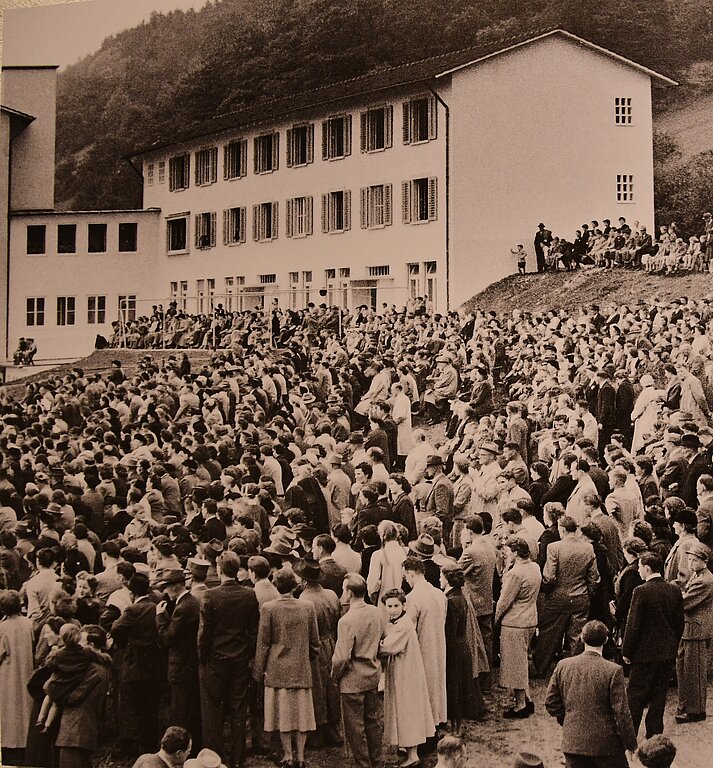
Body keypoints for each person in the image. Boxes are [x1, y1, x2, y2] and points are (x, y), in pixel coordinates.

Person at [546, 620, 638, 768]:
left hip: (573, 743)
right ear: (606, 640)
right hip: (606, 746)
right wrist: (631, 744)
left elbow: (551, 702)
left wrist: (568, 719)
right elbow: (621, 712)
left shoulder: (563, 665)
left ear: (582, 638)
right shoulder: (613, 670)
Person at [198, 551, 259, 768]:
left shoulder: (210, 595)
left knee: (212, 712)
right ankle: (238, 758)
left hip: (215, 661)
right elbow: (253, 631)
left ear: (219, 569)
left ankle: (215, 759)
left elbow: (204, 633)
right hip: (239, 659)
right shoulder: (249, 594)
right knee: (238, 709)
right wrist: (247, 654)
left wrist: (202, 657)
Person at [254, 568, 319, 768]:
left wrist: (258, 670)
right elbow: (315, 642)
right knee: (302, 714)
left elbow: (263, 643)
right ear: (294, 586)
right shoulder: (307, 607)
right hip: (300, 667)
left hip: (277, 668)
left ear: (276, 585)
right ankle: (300, 756)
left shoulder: (268, 608)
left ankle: (288, 755)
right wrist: (307, 657)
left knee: (282, 715)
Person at [622, 552, 684, 739]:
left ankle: (630, 732)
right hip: (666, 652)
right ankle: (655, 733)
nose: (639, 570)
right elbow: (679, 623)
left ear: (647, 568)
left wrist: (627, 651)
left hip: (644, 653)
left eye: (640, 567)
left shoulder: (641, 591)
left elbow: (633, 625)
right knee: (659, 695)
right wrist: (672, 643)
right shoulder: (673, 590)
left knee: (636, 695)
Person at [534, 515, 599, 678]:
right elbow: (594, 577)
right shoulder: (588, 548)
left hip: (557, 598)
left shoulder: (554, 548)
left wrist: (546, 591)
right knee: (577, 637)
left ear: (562, 530)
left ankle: (541, 668)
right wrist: (589, 592)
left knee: (548, 633)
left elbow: (549, 577)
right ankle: (576, 672)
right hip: (580, 596)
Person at [331, 573, 385, 768]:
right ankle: (377, 761)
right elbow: (383, 641)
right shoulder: (377, 612)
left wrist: (335, 677)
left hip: (352, 680)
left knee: (355, 727)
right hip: (372, 675)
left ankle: (363, 764)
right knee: (372, 722)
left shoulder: (346, 621)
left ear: (350, 593)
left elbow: (341, 657)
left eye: (343, 590)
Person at [379, 588, 436, 768]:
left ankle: (413, 755)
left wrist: (376, 643)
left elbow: (388, 647)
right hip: (400, 671)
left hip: (407, 673)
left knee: (407, 710)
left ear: (404, 605)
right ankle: (407, 748)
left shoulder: (404, 624)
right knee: (402, 709)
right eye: (389, 606)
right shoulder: (394, 623)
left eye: (396, 605)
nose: (393, 609)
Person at [110, 572, 164, 758]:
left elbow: (116, 627)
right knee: (151, 708)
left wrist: (125, 644)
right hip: (155, 664)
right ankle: (150, 746)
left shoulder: (133, 610)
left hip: (136, 665)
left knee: (133, 708)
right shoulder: (156, 606)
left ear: (132, 592)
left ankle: (135, 748)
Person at [295, 558, 342, 747]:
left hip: (313, 646)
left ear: (305, 581)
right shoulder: (331, 595)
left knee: (317, 687)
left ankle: (318, 731)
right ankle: (332, 727)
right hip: (330, 642)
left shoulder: (305, 600)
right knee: (332, 684)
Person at [53, 624, 112, 768]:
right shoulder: (97, 668)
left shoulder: (95, 670)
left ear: (91, 645)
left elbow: (74, 697)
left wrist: (57, 695)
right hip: (81, 732)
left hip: (75, 732)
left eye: (81, 644)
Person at [495, 537, 542, 718]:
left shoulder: (515, 574)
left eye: (507, 552)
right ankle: (526, 699)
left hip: (514, 622)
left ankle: (520, 704)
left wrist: (496, 619)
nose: (505, 555)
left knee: (515, 665)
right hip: (529, 619)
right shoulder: (534, 567)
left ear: (515, 553)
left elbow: (504, 601)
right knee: (522, 661)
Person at [155, 569, 202, 746]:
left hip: (181, 667)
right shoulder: (192, 602)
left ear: (175, 587)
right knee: (190, 711)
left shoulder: (183, 608)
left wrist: (160, 618)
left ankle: (181, 749)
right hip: (190, 665)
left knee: (181, 713)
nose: (165, 592)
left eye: (167, 588)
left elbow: (168, 638)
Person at [403, 557, 448, 730]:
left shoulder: (412, 598)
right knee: (437, 681)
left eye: (406, 576)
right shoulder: (439, 594)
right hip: (438, 642)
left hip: (422, 646)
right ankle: (438, 717)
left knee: (423, 684)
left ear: (411, 574)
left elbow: (408, 628)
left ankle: (426, 724)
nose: (406, 580)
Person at [675, 540, 713, 723]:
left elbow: (685, 601)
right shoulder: (698, 576)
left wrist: (677, 594)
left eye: (693, 560)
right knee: (684, 667)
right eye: (689, 559)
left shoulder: (704, 581)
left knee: (694, 671)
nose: (690, 563)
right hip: (690, 628)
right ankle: (687, 705)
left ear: (703, 561)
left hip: (696, 630)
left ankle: (696, 710)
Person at [0, 589, 34, 760]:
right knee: (24, 706)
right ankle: (25, 742)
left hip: (8, 674)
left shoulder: (3, 628)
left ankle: (10, 745)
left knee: (9, 708)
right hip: (25, 669)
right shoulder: (28, 623)